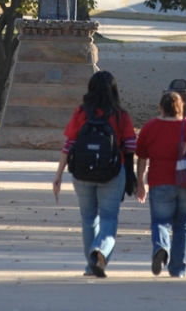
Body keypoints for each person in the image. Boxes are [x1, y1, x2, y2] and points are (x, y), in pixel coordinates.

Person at [52, 71, 137, 277]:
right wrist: (133, 175)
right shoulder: (120, 115)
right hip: (112, 173)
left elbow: (69, 144)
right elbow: (130, 146)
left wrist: (58, 175)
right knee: (109, 217)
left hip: (82, 174)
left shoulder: (81, 112)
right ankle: (101, 250)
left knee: (88, 218)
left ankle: (92, 265)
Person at [135, 91, 186, 278]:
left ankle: (161, 247)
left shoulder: (151, 127)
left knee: (160, 221)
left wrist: (140, 183)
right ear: (180, 107)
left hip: (160, 181)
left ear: (161, 108)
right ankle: (178, 268)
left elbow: (142, 157)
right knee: (183, 224)